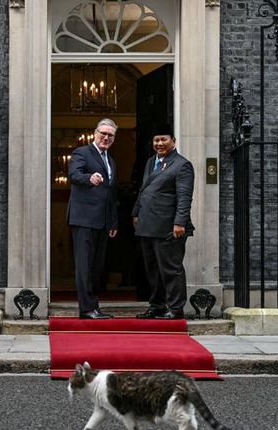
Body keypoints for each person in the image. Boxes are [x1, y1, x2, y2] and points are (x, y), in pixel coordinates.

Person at [131, 124, 194, 320]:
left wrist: (180, 223)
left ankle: (175, 308)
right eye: (156, 140)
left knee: (171, 269)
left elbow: (184, 197)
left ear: (173, 141)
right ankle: (157, 305)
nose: (159, 143)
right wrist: (136, 212)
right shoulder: (151, 162)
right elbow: (144, 189)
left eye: (163, 139)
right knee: (153, 271)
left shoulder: (182, 164)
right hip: (147, 225)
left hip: (169, 227)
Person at [67, 119, 119, 319]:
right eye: (103, 133)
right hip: (83, 218)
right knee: (85, 265)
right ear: (94, 133)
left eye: (110, 135)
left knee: (97, 266)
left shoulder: (110, 160)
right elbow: (73, 174)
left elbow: (111, 194)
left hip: (103, 221)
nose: (106, 137)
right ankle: (86, 309)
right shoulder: (82, 152)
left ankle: (94, 306)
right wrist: (89, 178)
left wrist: (113, 221)